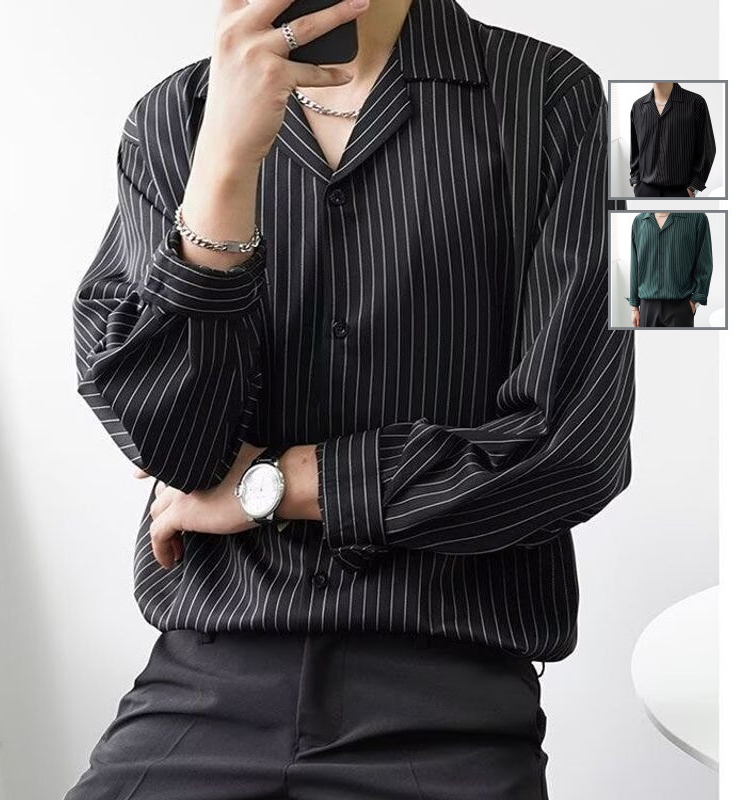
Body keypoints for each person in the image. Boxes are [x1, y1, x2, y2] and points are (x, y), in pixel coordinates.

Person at [65, 1, 635, 798]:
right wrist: (225, 164)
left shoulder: (556, 100)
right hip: (205, 681)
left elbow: (575, 447)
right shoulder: (175, 118)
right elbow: (175, 449)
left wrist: (279, 482)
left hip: (449, 696)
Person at [629, 81, 717, 198]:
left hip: (681, 191)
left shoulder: (695, 103)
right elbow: (635, 149)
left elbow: (707, 149)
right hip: (645, 191)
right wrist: (635, 182)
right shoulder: (638, 106)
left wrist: (693, 187)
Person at [628, 211, 713, 328]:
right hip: (647, 306)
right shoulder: (639, 221)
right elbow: (635, 265)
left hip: (681, 306)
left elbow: (704, 263)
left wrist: (695, 301)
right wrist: (634, 307)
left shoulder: (697, 218)